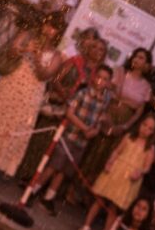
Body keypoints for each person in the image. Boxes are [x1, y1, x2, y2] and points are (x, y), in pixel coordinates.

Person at [0, 11, 64, 178]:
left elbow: (43, 75)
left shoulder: (57, 55)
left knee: (12, 127)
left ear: (58, 33)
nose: (49, 30)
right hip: (11, 83)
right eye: (48, 24)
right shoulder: (27, 35)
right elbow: (11, 52)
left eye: (54, 28)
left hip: (30, 93)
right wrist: (26, 48)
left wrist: (38, 56)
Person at [32, 64, 114, 216]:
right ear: (93, 77)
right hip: (69, 137)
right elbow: (69, 113)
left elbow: (99, 122)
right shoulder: (83, 93)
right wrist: (84, 128)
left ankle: (48, 197)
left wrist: (93, 132)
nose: (100, 81)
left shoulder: (103, 102)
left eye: (105, 79)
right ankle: (33, 191)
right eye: (99, 77)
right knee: (53, 166)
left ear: (109, 83)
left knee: (64, 171)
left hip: (82, 143)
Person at [81, 47, 154, 185]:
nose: (137, 60)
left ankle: (89, 189)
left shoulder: (146, 86)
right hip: (109, 114)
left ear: (147, 65)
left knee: (108, 153)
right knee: (95, 148)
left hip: (125, 121)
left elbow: (139, 110)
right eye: (136, 56)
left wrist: (126, 126)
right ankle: (74, 187)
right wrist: (107, 115)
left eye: (141, 58)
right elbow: (109, 92)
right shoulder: (121, 72)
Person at [81, 114, 155, 230]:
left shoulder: (150, 148)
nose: (145, 129)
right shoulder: (129, 137)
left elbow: (147, 167)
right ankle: (86, 225)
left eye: (150, 128)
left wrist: (140, 172)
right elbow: (117, 151)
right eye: (144, 125)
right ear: (139, 124)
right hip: (116, 170)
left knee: (114, 208)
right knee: (100, 200)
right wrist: (110, 162)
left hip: (129, 178)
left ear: (153, 132)